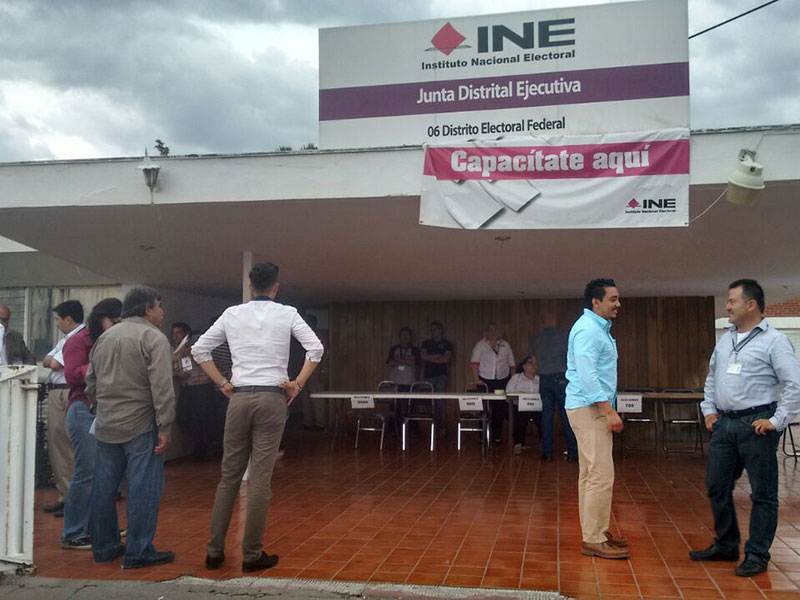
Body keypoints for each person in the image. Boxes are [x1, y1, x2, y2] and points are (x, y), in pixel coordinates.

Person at [191, 262, 323, 573]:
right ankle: (251, 554)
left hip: (238, 397)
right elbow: (315, 349)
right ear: (275, 287)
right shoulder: (287, 313)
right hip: (272, 397)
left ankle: (214, 552)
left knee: (229, 478)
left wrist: (223, 383)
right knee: (260, 480)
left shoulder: (232, 314)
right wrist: (297, 384)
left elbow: (199, 350)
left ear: (251, 287)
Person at [690, 279, 800, 577]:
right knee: (717, 485)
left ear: (751, 305)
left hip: (757, 425)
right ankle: (726, 545)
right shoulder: (726, 340)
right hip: (724, 425)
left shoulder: (775, 341)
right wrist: (709, 410)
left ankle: (757, 554)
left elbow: (793, 385)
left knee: (763, 493)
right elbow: (712, 377)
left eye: (732, 301)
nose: (727, 306)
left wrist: (776, 421)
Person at [86, 287, 176, 569]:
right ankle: (139, 552)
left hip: (106, 423)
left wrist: (100, 407)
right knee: (143, 489)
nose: (162, 312)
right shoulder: (154, 338)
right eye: (159, 306)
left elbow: (91, 381)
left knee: (103, 488)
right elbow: (162, 387)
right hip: (140, 424)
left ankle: (104, 548)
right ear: (148, 309)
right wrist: (165, 425)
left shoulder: (105, 337)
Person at [566, 279, 628, 559]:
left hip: (589, 407)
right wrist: (608, 410)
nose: (617, 304)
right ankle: (593, 538)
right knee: (601, 475)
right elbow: (588, 375)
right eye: (612, 299)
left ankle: (596, 532)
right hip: (590, 409)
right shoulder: (588, 330)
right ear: (595, 301)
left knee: (591, 474)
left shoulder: (596, 328)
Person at [60, 298, 122, 550]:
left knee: (105, 474)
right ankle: (73, 532)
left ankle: (101, 528)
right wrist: (100, 363)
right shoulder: (78, 340)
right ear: (100, 319)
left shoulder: (113, 339)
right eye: (113, 321)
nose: (117, 326)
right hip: (83, 409)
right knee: (86, 472)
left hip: (106, 410)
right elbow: (71, 374)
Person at [42, 301, 85, 517]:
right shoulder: (65, 339)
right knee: (57, 444)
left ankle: (74, 498)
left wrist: (52, 360)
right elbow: (45, 361)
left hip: (68, 391)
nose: (57, 324)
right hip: (56, 391)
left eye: (59, 319)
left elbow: (55, 364)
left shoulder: (79, 337)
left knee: (68, 445)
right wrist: (51, 360)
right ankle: (65, 494)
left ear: (69, 319)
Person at [530, 312, 578, 462]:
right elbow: (572, 356)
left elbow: (534, 360)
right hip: (561, 378)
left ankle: (547, 452)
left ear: (543, 322)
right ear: (555, 321)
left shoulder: (536, 338)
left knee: (547, 415)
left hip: (544, 378)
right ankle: (573, 453)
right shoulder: (565, 336)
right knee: (566, 415)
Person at [172, 321, 217, 459]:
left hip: (202, 386)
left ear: (186, 334)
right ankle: (199, 445)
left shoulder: (198, 346)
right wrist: (178, 374)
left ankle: (206, 447)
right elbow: (172, 367)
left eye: (178, 333)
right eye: (173, 334)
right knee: (183, 418)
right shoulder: (175, 351)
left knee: (204, 418)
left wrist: (189, 353)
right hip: (187, 387)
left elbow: (207, 363)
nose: (175, 336)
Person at [471, 322, 515, 444]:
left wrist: (513, 381)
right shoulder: (480, 345)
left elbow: (512, 364)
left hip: (501, 380)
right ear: (486, 331)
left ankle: (496, 435)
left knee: (499, 408)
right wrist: (476, 379)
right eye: (490, 329)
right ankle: (483, 436)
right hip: (484, 381)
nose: (492, 332)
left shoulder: (505, 345)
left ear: (499, 331)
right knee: (484, 408)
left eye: (495, 329)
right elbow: (474, 363)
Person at [421, 321, 453, 438]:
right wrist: (437, 356)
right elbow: (423, 357)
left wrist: (430, 358)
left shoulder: (447, 344)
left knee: (439, 403)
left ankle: (440, 427)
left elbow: (446, 360)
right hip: (428, 376)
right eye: (431, 329)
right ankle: (431, 428)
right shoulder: (426, 343)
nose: (433, 331)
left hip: (441, 376)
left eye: (435, 329)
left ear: (441, 330)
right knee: (429, 402)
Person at [506, 356, 542, 455]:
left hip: (537, 408)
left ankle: (544, 443)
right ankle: (518, 444)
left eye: (535, 364)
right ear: (524, 366)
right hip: (519, 406)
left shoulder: (540, 379)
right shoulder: (516, 378)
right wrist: (521, 396)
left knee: (545, 419)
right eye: (530, 363)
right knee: (519, 418)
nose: (533, 366)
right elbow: (509, 392)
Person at [300, 314, 328, 431]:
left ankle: (320, 423)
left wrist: (323, 370)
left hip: (317, 367)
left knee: (317, 395)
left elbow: (325, 354)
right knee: (305, 395)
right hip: (303, 367)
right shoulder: (302, 335)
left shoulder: (319, 336)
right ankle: (308, 422)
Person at [386, 327, 420, 392]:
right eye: (403, 334)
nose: (405, 337)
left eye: (407, 335)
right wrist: (407, 361)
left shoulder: (415, 349)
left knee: (409, 399)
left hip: (410, 382)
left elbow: (413, 363)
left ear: (410, 337)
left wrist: (398, 359)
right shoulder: (394, 349)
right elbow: (391, 363)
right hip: (395, 381)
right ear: (400, 336)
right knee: (395, 398)